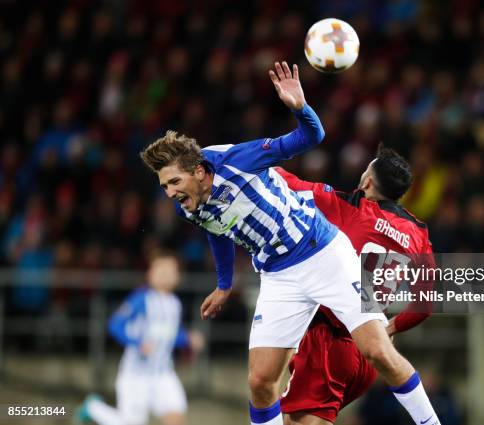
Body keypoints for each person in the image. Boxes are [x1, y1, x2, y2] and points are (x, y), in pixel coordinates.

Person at [139, 61, 440, 425]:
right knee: (260, 381)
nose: (170, 193)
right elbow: (215, 228)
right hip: (279, 275)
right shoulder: (190, 203)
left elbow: (310, 138)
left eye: (173, 182)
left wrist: (300, 108)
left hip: (323, 254)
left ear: (199, 171)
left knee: (377, 350)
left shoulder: (238, 160)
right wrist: (223, 285)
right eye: (164, 187)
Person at [276, 144, 436, 425]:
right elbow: (424, 306)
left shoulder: (350, 207)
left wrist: (250, 157)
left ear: (367, 181)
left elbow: (288, 183)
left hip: (329, 340)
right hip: (368, 350)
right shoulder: (418, 232)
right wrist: (390, 328)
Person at [75, 251, 204, 425]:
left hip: (163, 373)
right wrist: (136, 343)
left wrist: (188, 339)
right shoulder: (141, 299)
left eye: (170, 271)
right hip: (136, 374)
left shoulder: (175, 304)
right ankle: (93, 408)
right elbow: (115, 324)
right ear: (150, 274)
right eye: (161, 270)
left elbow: (170, 335)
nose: (166, 275)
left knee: (176, 417)